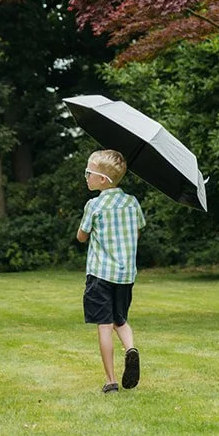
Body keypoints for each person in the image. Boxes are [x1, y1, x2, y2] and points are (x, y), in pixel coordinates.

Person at [77, 149, 146, 393]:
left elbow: (81, 236)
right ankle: (130, 349)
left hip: (100, 275)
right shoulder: (132, 202)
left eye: (89, 172)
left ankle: (110, 381)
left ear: (102, 180)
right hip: (125, 275)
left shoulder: (94, 205)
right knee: (121, 320)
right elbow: (137, 231)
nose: (86, 176)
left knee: (104, 325)